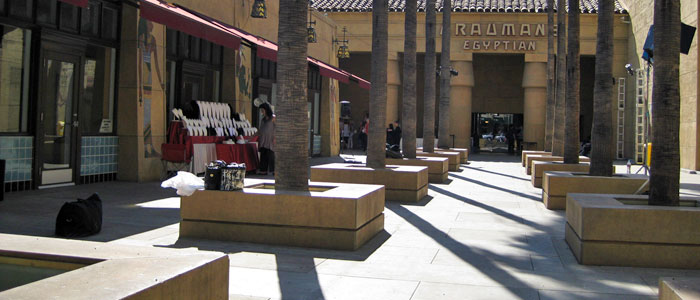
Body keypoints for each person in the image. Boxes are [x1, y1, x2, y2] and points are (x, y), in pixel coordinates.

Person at [257, 103, 275, 175]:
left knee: (271, 155)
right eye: (261, 110)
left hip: (271, 140)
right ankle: (263, 170)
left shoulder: (273, 118)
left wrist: (275, 137)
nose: (262, 112)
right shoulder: (263, 120)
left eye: (262, 110)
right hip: (263, 140)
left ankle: (274, 171)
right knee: (263, 154)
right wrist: (252, 136)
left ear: (266, 110)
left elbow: (278, 128)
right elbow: (260, 130)